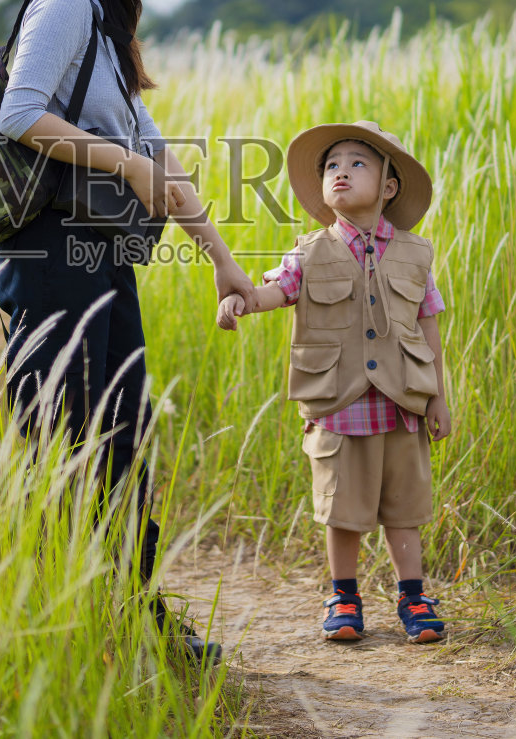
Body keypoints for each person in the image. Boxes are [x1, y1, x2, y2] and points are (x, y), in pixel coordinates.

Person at [0, 0, 255, 663]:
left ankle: (134, 616)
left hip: (100, 257)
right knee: (63, 438)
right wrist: (122, 163)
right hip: (49, 255)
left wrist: (221, 258)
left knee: (121, 434)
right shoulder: (66, 3)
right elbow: (19, 113)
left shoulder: (106, 29)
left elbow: (159, 154)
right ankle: (65, 627)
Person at [216, 120, 453, 643]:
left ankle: (413, 596)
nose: (340, 172)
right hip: (338, 403)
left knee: (404, 507)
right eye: (331, 166)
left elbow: (429, 325)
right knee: (341, 508)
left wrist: (439, 397)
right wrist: (243, 299)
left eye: (356, 163)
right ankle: (344, 596)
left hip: (403, 401)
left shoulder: (415, 254)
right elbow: (277, 290)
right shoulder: (308, 252)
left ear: (389, 187)